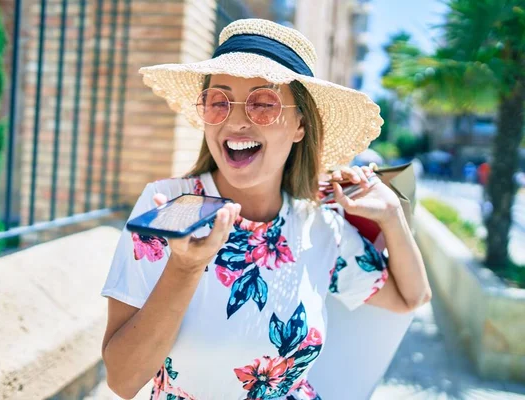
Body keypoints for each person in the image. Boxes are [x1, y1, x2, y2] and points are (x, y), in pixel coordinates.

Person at [101, 19, 431, 400]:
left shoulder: (319, 225)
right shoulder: (167, 207)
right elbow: (122, 381)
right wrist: (184, 267)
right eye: (218, 102)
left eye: (263, 103)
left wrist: (390, 215)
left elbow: (413, 297)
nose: (236, 120)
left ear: (300, 125)